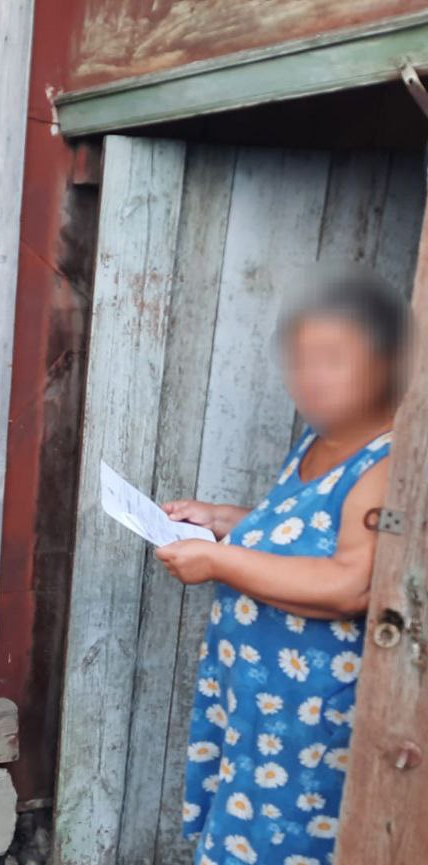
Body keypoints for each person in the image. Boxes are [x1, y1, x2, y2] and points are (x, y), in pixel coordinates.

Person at [154, 267, 411, 865]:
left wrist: (220, 560)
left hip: (313, 715)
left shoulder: (388, 462)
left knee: (289, 839)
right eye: (299, 361)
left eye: (332, 358)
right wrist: (224, 518)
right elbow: (306, 531)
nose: (310, 378)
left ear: (387, 363)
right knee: (248, 829)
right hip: (261, 699)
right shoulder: (323, 436)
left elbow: (351, 584)